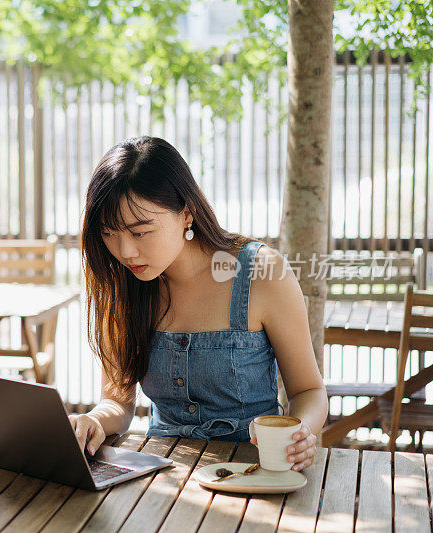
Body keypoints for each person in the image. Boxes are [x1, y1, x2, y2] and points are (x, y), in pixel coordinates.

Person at [69, 136, 327, 471]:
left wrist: (301, 432)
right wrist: (94, 421)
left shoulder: (262, 273)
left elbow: (309, 390)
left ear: (186, 214)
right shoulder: (119, 281)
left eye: (140, 232)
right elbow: (117, 400)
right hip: (163, 475)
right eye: (109, 233)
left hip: (253, 472)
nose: (125, 251)